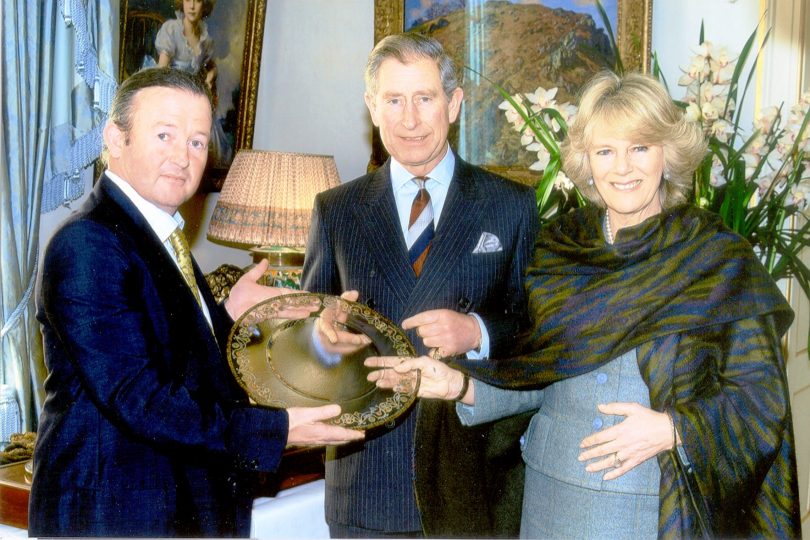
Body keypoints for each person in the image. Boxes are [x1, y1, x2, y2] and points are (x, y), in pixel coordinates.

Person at [367, 70, 801, 538]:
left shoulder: (715, 257)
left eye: (640, 147)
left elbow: (761, 397)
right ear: (586, 162)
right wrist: (458, 385)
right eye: (605, 151)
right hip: (550, 494)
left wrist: (676, 428)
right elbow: (540, 373)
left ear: (667, 155)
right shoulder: (560, 248)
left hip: (648, 497)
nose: (622, 168)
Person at [29, 67, 363, 538]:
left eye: (197, 142)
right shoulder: (88, 243)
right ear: (115, 139)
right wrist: (276, 430)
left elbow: (172, 358)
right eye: (164, 134)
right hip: (118, 513)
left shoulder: (160, 233)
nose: (182, 157)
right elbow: (138, 397)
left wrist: (226, 316)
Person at [301, 33, 539, 538]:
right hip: (368, 481)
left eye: (425, 99)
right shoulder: (336, 210)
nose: (409, 120)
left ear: (453, 104)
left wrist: (477, 331)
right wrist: (320, 336)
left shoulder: (511, 206)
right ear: (372, 106)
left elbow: (539, 334)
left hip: (472, 480)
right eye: (393, 100)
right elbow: (307, 343)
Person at [155, 0, 232, 166]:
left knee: (206, 128)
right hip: (171, 92)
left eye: (197, 1)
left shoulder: (204, 35)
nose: (191, 6)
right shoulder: (172, 29)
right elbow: (161, 71)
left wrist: (209, 78)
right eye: (188, 0)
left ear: (203, 5)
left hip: (192, 95)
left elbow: (212, 67)